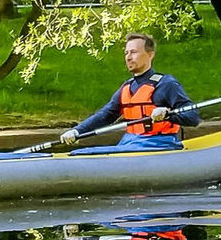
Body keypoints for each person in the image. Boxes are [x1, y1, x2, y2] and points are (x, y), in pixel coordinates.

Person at [59, 32, 199, 154]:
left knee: (85, 153)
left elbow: (193, 117)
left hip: (159, 143)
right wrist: (77, 131)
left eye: (134, 52)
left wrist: (168, 113)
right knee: (80, 152)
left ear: (150, 55)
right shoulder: (127, 87)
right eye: (126, 53)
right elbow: (105, 115)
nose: (128, 57)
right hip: (130, 142)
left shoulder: (166, 84)